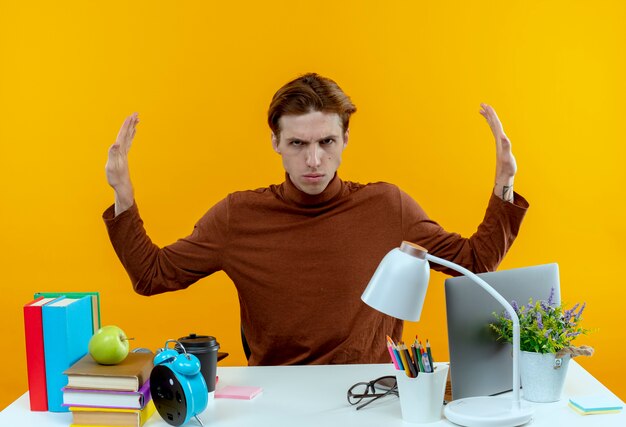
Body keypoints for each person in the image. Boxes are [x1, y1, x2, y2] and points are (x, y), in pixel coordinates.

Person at [104, 73, 528, 366]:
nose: (313, 160)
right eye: (297, 143)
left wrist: (504, 184)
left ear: (345, 139)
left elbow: (475, 263)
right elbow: (152, 275)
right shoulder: (238, 216)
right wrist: (124, 196)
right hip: (276, 395)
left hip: (371, 393)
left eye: (326, 141)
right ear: (275, 142)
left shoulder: (387, 206)